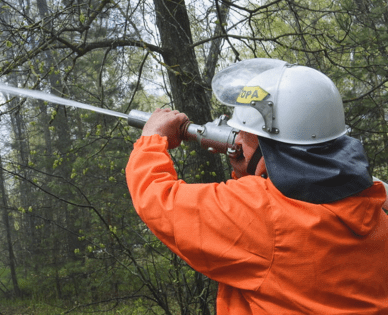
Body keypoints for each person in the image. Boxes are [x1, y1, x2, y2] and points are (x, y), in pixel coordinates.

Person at [125, 59, 388, 314]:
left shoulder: (261, 213)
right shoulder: (373, 204)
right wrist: (251, 166)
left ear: (269, 144)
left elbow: (158, 199)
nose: (236, 138)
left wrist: (152, 138)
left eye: (244, 133)